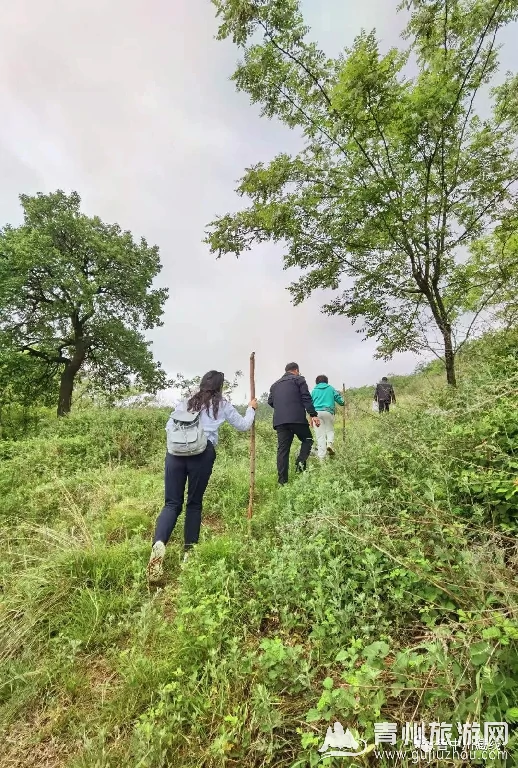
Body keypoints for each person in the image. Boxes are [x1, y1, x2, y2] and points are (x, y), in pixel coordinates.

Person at [147, 370, 257, 581]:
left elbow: (168, 426)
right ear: (220, 386)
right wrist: (251, 409)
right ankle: (188, 553)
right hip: (202, 453)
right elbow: (243, 426)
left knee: (171, 504)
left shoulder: (186, 402)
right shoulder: (222, 405)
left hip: (175, 453)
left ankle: (159, 543)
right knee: (194, 503)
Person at [268, 362, 320, 485]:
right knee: (307, 440)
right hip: (297, 419)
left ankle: (282, 482)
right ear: (296, 370)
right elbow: (306, 397)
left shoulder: (274, 385)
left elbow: (270, 401)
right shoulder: (299, 380)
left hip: (280, 422)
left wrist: (282, 407)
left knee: (283, 451)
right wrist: (313, 415)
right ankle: (300, 464)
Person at [310, 375, 345, 459]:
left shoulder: (313, 391)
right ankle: (329, 444)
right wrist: (343, 401)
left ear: (317, 382)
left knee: (320, 436)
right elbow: (340, 401)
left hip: (316, 414)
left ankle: (322, 458)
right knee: (330, 430)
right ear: (326, 381)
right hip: (328, 412)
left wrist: (311, 419)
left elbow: (309, 404)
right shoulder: (331, 388)